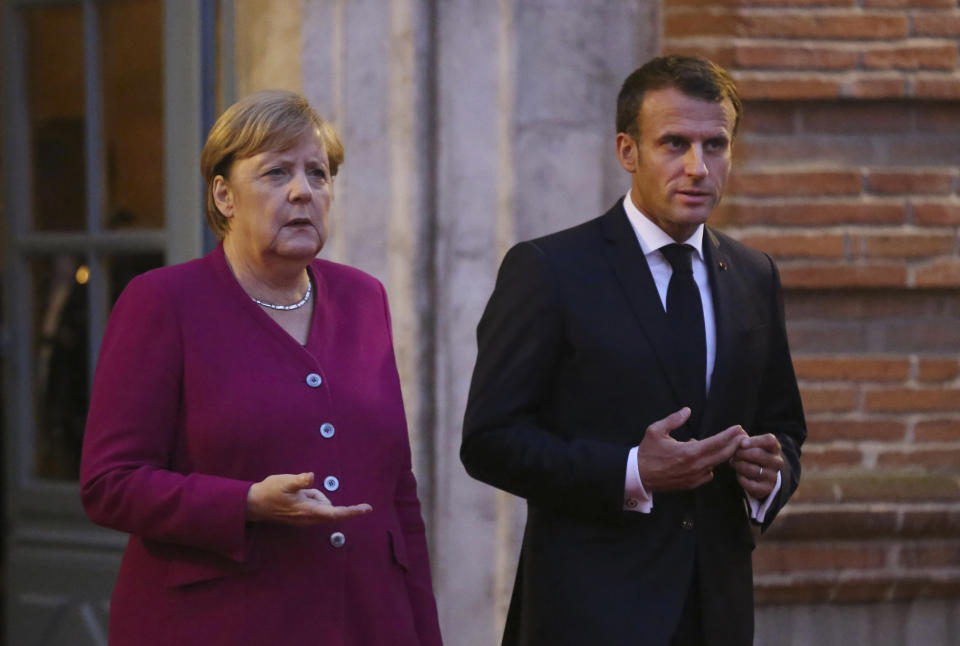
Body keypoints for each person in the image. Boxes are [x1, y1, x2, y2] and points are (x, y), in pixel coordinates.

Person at [461, 56, 805, 646]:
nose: (698, 167)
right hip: (589, 613)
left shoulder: (753, 274)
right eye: (675, 143)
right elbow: (490, 442)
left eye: (715, 145)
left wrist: (769, 476)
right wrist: (631, 472)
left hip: (715, 612)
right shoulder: (550, 270)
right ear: (628, 151)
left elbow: (784, 425)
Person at [81, 90, 443, 646]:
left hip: (367, 621)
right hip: (218, 623)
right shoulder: (162, 301)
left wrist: (423, 632)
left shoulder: (363, 298)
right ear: (224, 195)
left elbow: (397, 489)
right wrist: (244, 503)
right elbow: (110, 484)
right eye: (276, 173)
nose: (303, 191)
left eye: (318, 174)